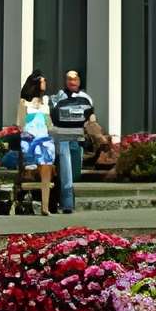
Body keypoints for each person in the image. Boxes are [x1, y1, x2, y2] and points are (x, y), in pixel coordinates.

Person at [46, 70, 94, 214]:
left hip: (78, 137)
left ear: (79, 80)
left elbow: (91, 116)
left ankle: (62, 199)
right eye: (69, 79)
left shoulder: (85, 98)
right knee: (66, 170)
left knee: (74, 171)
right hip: (62, 136)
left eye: (74, 78)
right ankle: (67, 204)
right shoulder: (58, 97)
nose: (72, 82)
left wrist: (92, 127)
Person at [13, 73, 56, 211]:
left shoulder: (45, 102)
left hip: (45, 139)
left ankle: (45, 206)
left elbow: (49, 124)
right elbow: (20, 123)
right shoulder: (24, 102)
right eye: (43, 81)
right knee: (28, 171)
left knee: (46, 172)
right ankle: (20, 201)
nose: (45, 83)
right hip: (30, 139)